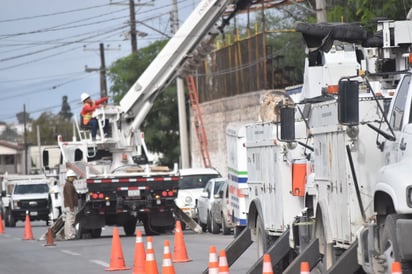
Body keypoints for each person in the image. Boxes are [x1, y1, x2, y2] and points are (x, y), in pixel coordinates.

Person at [63, 169, 78, 240]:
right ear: (68, 177)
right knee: (70, 220)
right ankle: (69, 235)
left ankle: (68, 235)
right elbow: (69, 196)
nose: (73, 178)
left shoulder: (68, 184)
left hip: (68, 205)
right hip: (70, 206)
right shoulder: (69, 185)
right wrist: (72, 206)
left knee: (68, 220)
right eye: (72, 177)